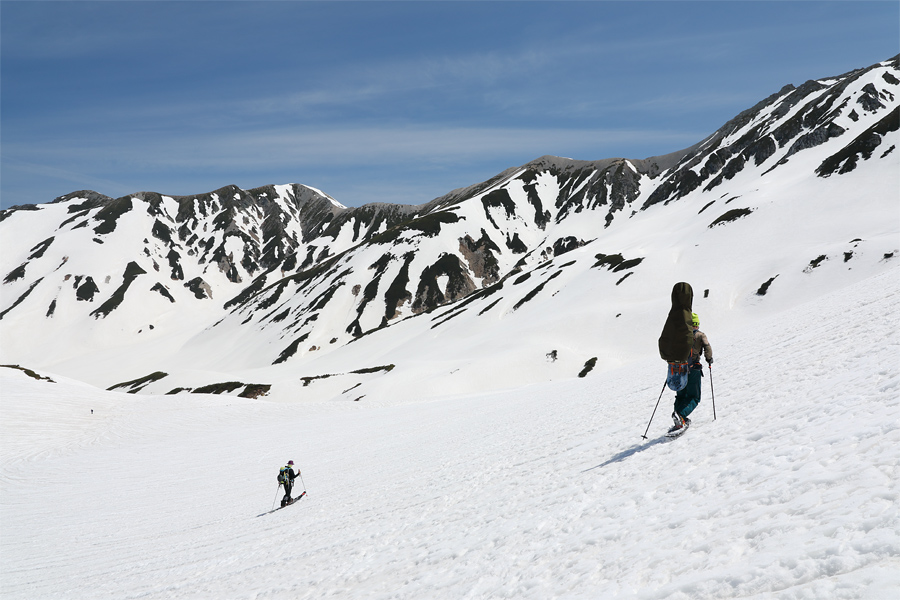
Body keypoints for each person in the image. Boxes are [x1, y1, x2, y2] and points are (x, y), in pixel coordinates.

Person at [669, 312, 713, 434]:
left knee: (681, 394)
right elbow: (707, 347)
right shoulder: (700, 335)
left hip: (678, 370)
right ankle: (681, 416)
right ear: (697, 324)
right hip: (693, 369)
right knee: (694, 396)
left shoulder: (680, 335)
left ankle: (678, 417)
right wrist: (709, 359)